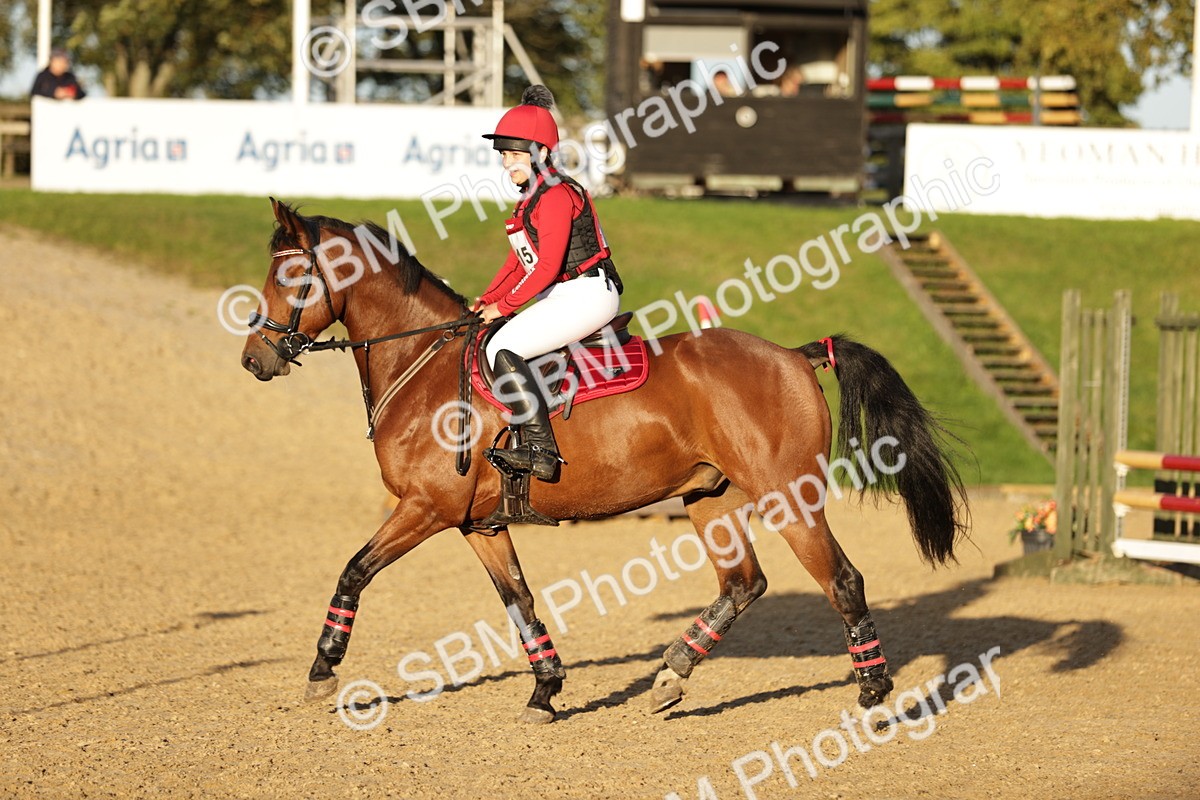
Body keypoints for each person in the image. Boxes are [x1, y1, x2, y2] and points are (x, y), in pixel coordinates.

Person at [474, 85, 623, 482]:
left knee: (503, 345)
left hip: (588, 293)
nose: (508, 164)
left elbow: (545, 267)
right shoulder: (531, 199)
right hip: (568, 294)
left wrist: (503, 308)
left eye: (515, 155)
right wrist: (486, 299)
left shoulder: (555, 196)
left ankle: (541, 451)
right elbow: (516, 261)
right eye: (504, 155)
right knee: (493, 338)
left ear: (541, 153)